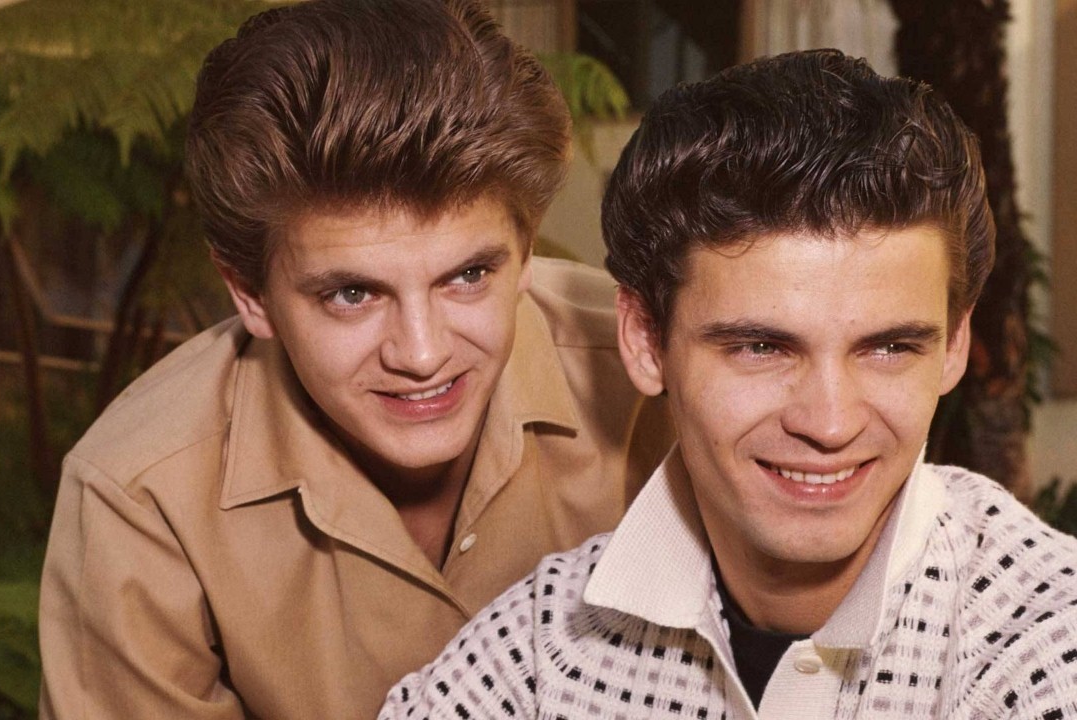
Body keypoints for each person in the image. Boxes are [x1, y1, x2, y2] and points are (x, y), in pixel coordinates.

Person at [380, 49, 1077, 719]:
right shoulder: (535, 652)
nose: (830, 421)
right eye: (760, 348)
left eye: (890, 348)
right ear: (644, 341)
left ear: (956, 345)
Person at [36, 1, 672, 718]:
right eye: (352, 294)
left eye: (468, 276)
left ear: (525, 254)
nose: (423, 354)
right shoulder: (138, 495)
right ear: (250, 294)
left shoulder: (662, 372)